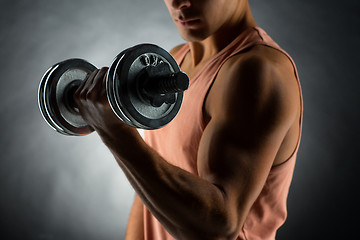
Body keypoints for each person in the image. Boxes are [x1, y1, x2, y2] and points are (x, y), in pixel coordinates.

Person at [74, 0, 303, 239]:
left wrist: (117, 133)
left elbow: (219, 228)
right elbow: (150, 188)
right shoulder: (175, 60)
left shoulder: (259, 71)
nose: (178, 2)